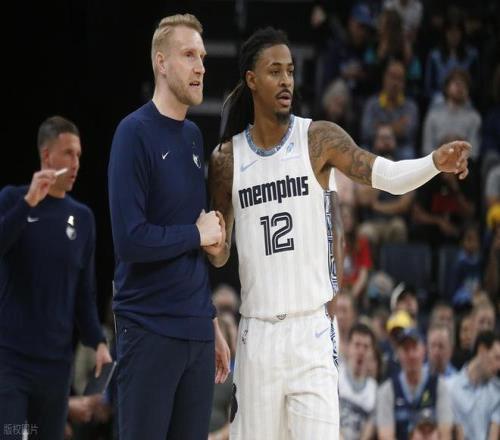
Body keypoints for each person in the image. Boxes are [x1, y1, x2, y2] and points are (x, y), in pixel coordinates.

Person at [207, 27, 470, 439]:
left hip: (311, 330)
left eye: (290, 71)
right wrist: (210, 240)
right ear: (251, 80)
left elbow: (385, 175)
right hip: (257, 332)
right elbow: (221, 254)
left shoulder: (317, 138)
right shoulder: (227, 159)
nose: (286, 80)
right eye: (275, 71)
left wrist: (432, 163)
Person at [107, 14, 230, 440]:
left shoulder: (193, 136)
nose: (201, 67)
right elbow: (130, 239)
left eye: (203, 57)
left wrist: (210, 320)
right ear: (161, 62)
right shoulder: (133, 133)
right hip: (149, 328)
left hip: (196, 330)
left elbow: (192, 240)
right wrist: (196, 234)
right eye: (189, 55)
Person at [0, 116, 111, 439]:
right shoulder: (13, 200)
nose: (76, 163)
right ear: (46, 155)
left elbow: (83, 294)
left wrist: (98, 342)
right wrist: (28, 204)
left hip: (55, 367)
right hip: (11, 361)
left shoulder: (83, 218)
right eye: (68, 153)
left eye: (79, 155)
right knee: (11, 433)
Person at [376, 328, 453, 440]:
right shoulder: (387, 390)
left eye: (415, 348)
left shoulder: (439, 386)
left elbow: (445, 433)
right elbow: (385, 436)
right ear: (398, 353)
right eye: (406, 349)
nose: (411, 355)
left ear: (424, 350)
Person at [448, 330, 500, 440]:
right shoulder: (450, 387)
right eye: (497, 358)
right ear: (482, 351)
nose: (499, 366)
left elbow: (493, 435)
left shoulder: (497, 393)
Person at [339, 323, 378, 440]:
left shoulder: (374, 390)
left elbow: (369, 430)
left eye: (366, 347)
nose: (361, 351)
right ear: (348, 347)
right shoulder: (335, 374)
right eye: (357, 345)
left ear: (372, 352)